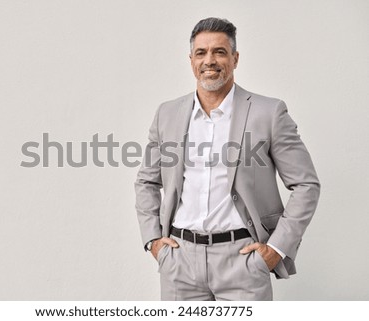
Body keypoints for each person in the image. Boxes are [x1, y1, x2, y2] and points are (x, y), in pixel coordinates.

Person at [134, 17, 320, 301]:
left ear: (235, 58)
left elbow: (306, 184)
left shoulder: (267, 113)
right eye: (201, 53)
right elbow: (147, 181)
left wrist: (275, 250)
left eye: (219, 52)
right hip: (179, 263)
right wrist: (154, 243)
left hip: (243, 262)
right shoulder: (167, 114)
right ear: (191, 60)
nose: (210, 60)